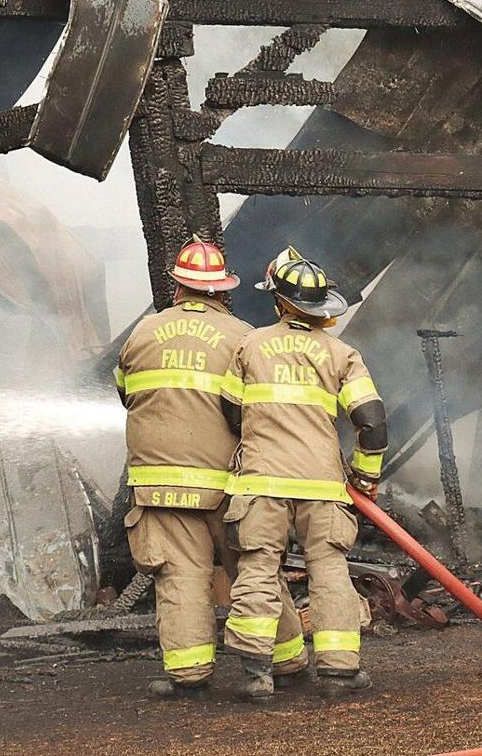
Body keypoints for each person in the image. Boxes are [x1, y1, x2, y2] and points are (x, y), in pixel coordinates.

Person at [115, 237, 307, 698]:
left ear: (178, 287)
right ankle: (287, 662)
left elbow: (124, 393)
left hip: (160, 485)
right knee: (255, 571)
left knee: (179, 575)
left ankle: (189, 675)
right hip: (231, 483)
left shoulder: (141, 333)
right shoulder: (244, 336)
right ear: (222, 290)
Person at [220, 249, 387, 702]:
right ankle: (338, 670)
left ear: (279, 302)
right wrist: (365, 477)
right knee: (330, 569)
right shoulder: (343, 354)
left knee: (257, 568)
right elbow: (371, 421)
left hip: (261, 482)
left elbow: (231, 413)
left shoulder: (249, 345)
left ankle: (257, 674)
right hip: (322, 483)